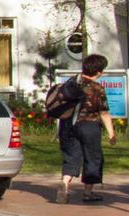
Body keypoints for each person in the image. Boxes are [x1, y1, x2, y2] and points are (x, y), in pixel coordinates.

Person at [47, 52, 115, 204]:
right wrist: (111, 133)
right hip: (89, 126)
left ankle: (64, 183)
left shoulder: (72, 81)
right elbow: (104, 113)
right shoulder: (97, 88)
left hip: (67, 125)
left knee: (71, 156)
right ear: (99, 72)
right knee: (92, 157)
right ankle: (88, 192)